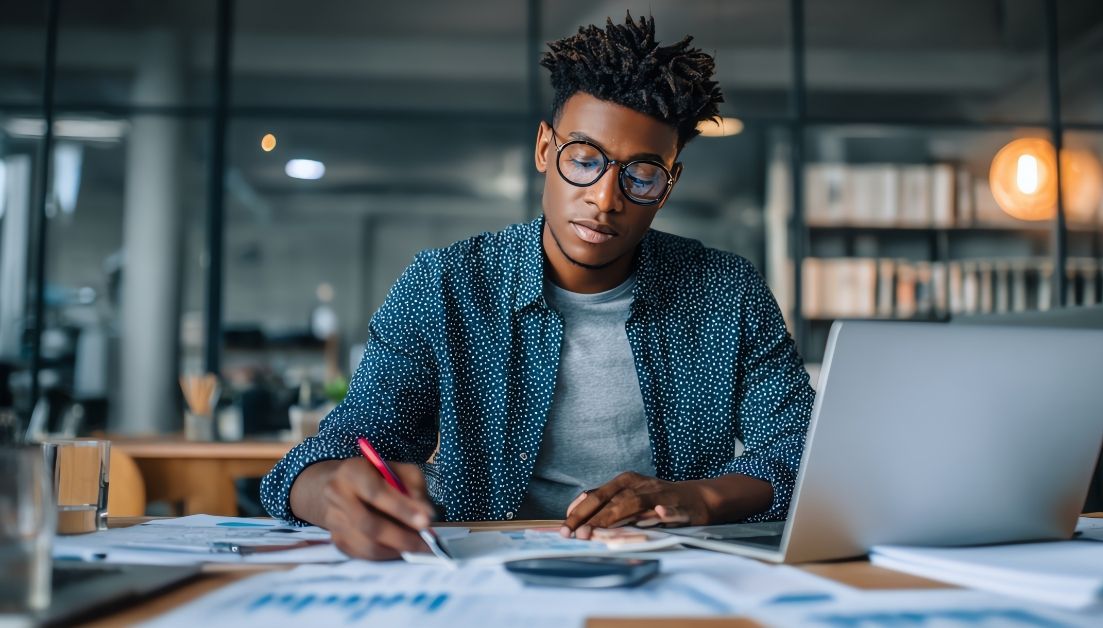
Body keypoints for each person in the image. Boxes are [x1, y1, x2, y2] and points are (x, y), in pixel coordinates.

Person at [260, 13, 815, 560]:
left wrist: (698, 497)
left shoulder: (726, 292)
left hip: (668, 573)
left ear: (668, 185)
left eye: (641, 175)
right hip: (480, 577)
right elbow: (345, 444)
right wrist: (336, 496)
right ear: (545, 150)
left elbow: (803, 455)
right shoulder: (446, 285)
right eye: (584, 160)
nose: (605, 198)